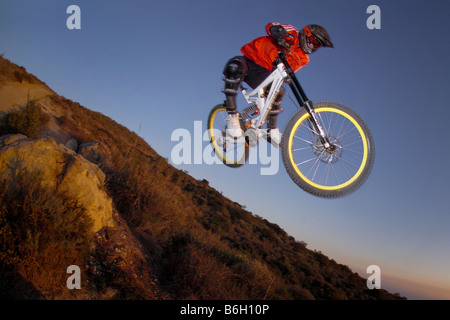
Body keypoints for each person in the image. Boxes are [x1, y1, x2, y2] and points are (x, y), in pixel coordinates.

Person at [222, 22, 334, 145]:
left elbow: (286, 71)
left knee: (279, 91)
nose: (313, 46)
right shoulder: (292, 33)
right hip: (250, 60)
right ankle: (232, 116)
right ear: (306, 34)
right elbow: (272, 26)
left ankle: (271, 131)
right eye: (313, 41)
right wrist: (278, 32)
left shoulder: (303, 58)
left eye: (317, 45)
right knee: (234, 68)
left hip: (263, 75)